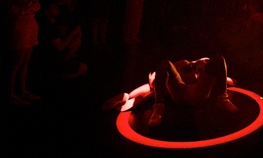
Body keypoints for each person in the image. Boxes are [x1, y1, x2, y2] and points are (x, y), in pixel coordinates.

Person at [102, 54, 238, 127]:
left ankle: (223, 99)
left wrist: (221, 78)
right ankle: (151, 105)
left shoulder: (204, 73)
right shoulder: (183, 64)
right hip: (180, 91)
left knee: (152, 89)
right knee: (155, 82)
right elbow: (161, 76)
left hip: (196, 92)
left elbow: (230, 80)